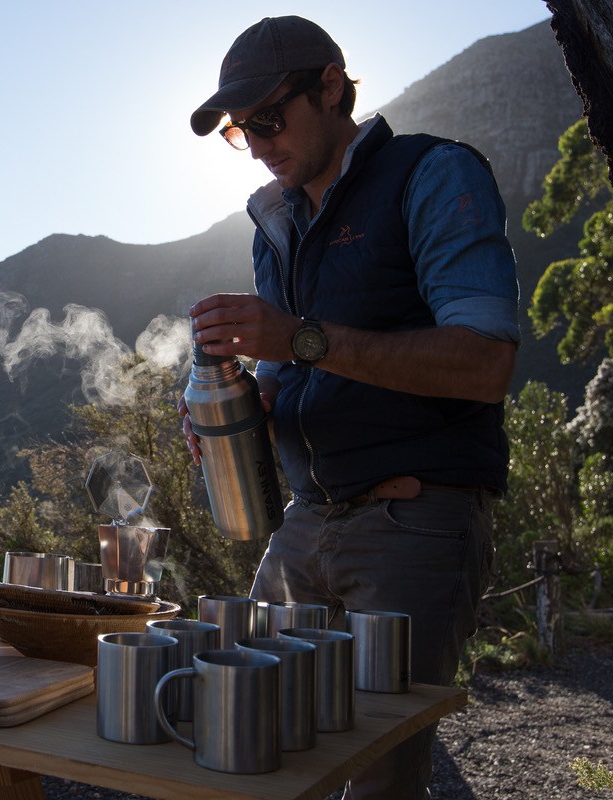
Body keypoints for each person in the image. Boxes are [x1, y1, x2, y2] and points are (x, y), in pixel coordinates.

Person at [181, 15, 518, 799]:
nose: (259, 143)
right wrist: (236, 407)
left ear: (330, 85)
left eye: (269, 117)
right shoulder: (277, 225)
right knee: (248, 737)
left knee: (377, 777)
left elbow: (485, 364)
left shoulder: (432, 174)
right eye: (242, 129)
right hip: (306, 523)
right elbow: (295, 370)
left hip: (410, 522)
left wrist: (296, 341)